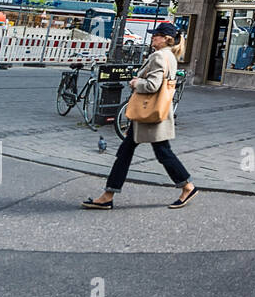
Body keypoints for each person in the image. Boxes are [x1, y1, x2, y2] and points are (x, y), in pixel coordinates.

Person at [83, 22, 198, 210]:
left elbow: (153, 85)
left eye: (156, 35)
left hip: (150, 114)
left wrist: (137, 82)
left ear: (166, 38)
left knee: (160, 153)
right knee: (128, 153)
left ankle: (187, 186)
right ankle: (108, 195)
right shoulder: (170, 56)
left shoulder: (160, 56)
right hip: (153, 114)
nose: (153, 37)